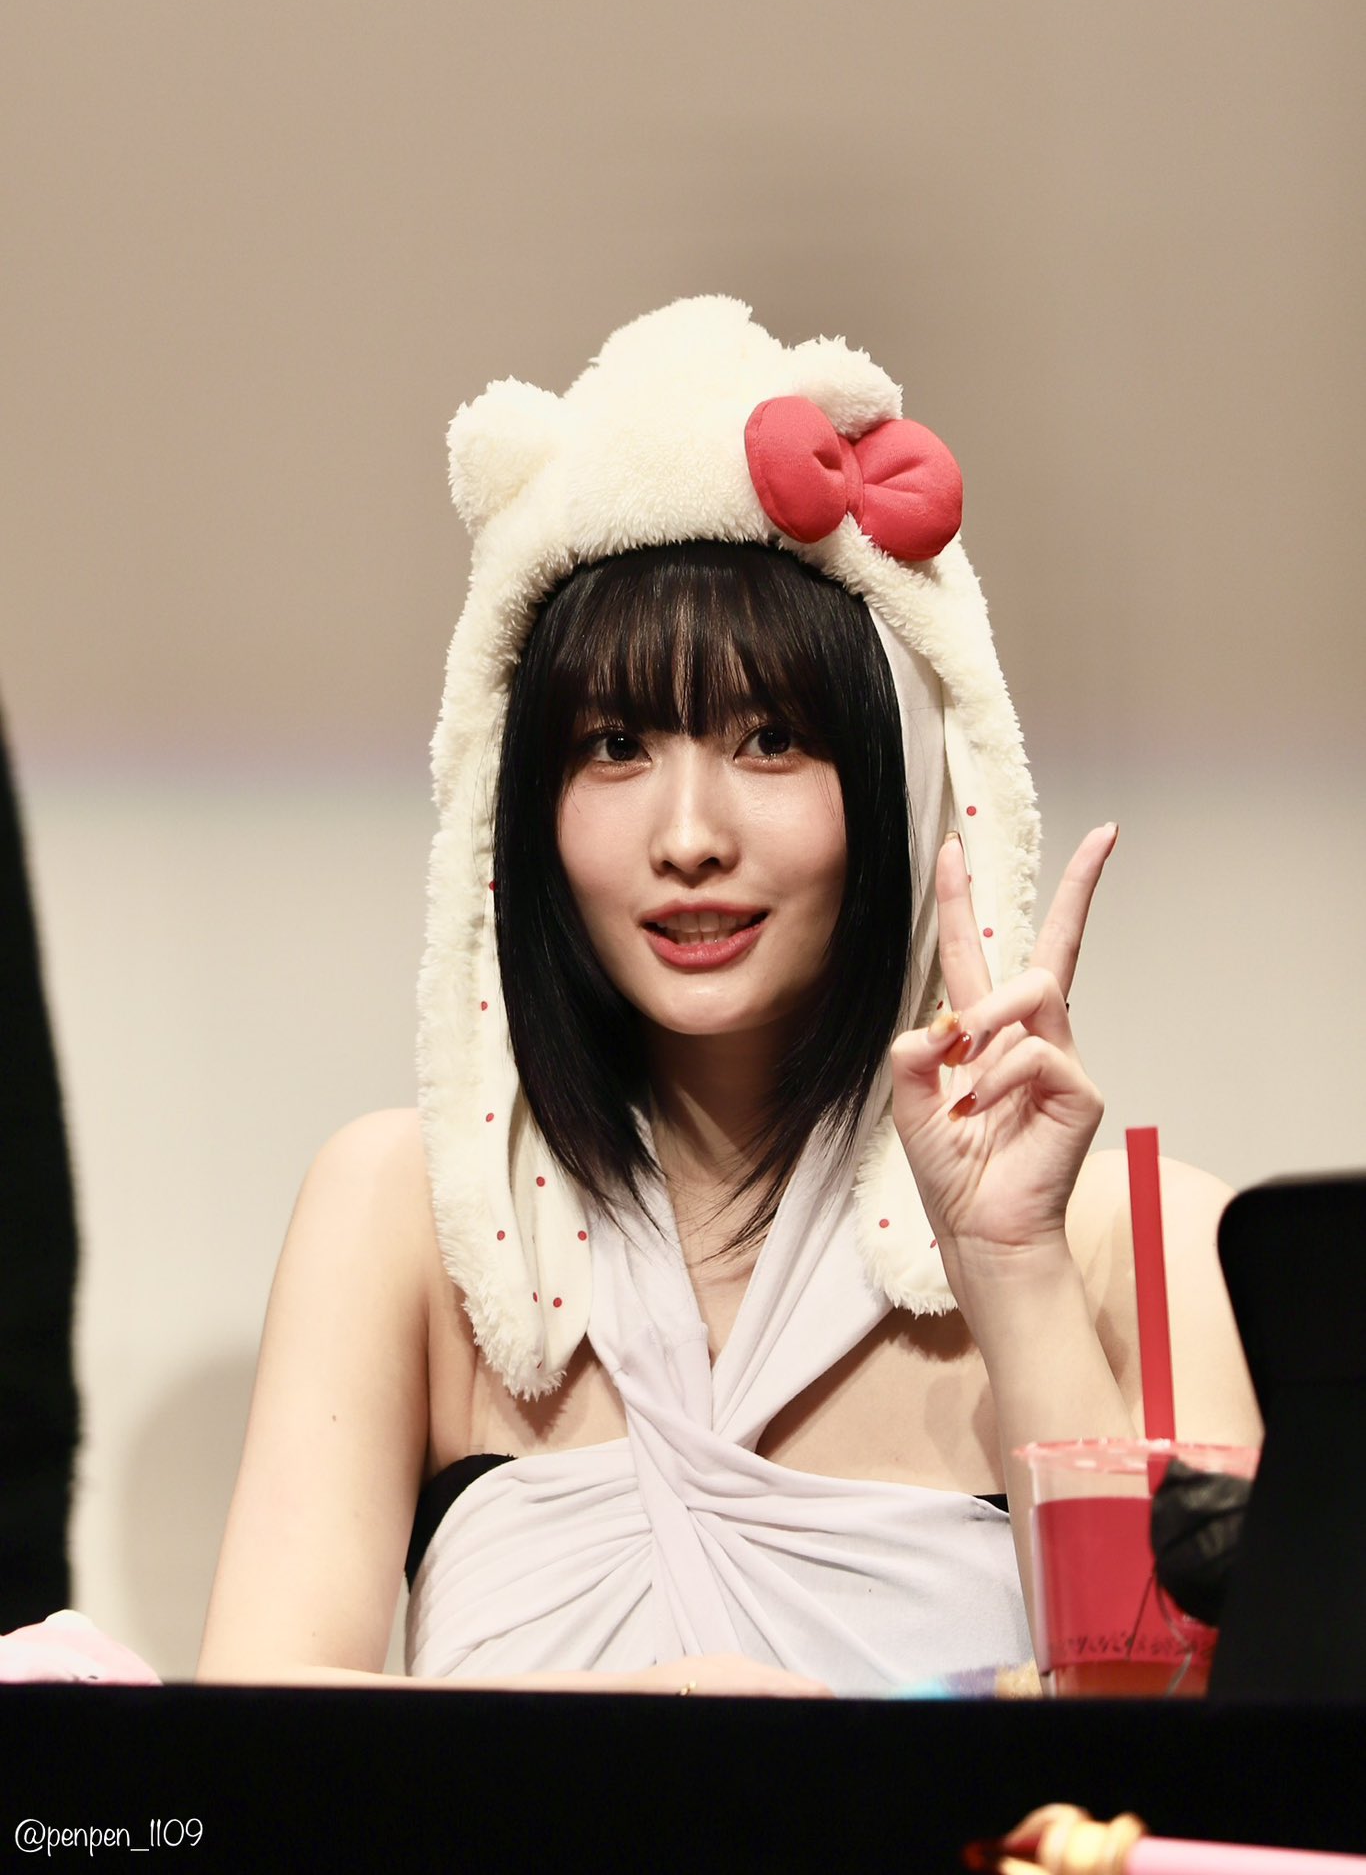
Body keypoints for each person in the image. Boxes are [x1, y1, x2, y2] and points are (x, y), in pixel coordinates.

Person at [198, 297, 1258, 1696]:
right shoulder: (418, 1217)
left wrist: (1012, 1269)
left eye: (769, 740)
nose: (688, 836)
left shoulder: (1144, 1238)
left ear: (899, 788)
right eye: (613, 745)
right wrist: (651, 1735)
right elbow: (250, 1752)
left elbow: (1187, 1755)